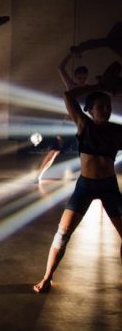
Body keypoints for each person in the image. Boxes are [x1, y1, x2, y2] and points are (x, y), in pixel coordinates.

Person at [33, 86, 122, 293]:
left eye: (108, 107)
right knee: (62, 234)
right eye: (101, 107)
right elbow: (68, 96)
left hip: (109, 187)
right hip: (86, 186)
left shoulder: (117, 130)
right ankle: (47, 277)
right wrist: (100, 86)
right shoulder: (84, 124)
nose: (106, 110)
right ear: (90, 110)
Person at [35, 53, 89, 183]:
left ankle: (87, 177)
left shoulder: (89, 90)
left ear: (87, 77)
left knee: (85, 152)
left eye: (84, 77)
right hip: (68, 125)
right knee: (54, 151)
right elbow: (60, 68)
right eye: (79, 77)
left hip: (81, 126)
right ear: (76, 77)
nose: (81, 80)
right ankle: (38, 176)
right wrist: (71, 54)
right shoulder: (72, 87)